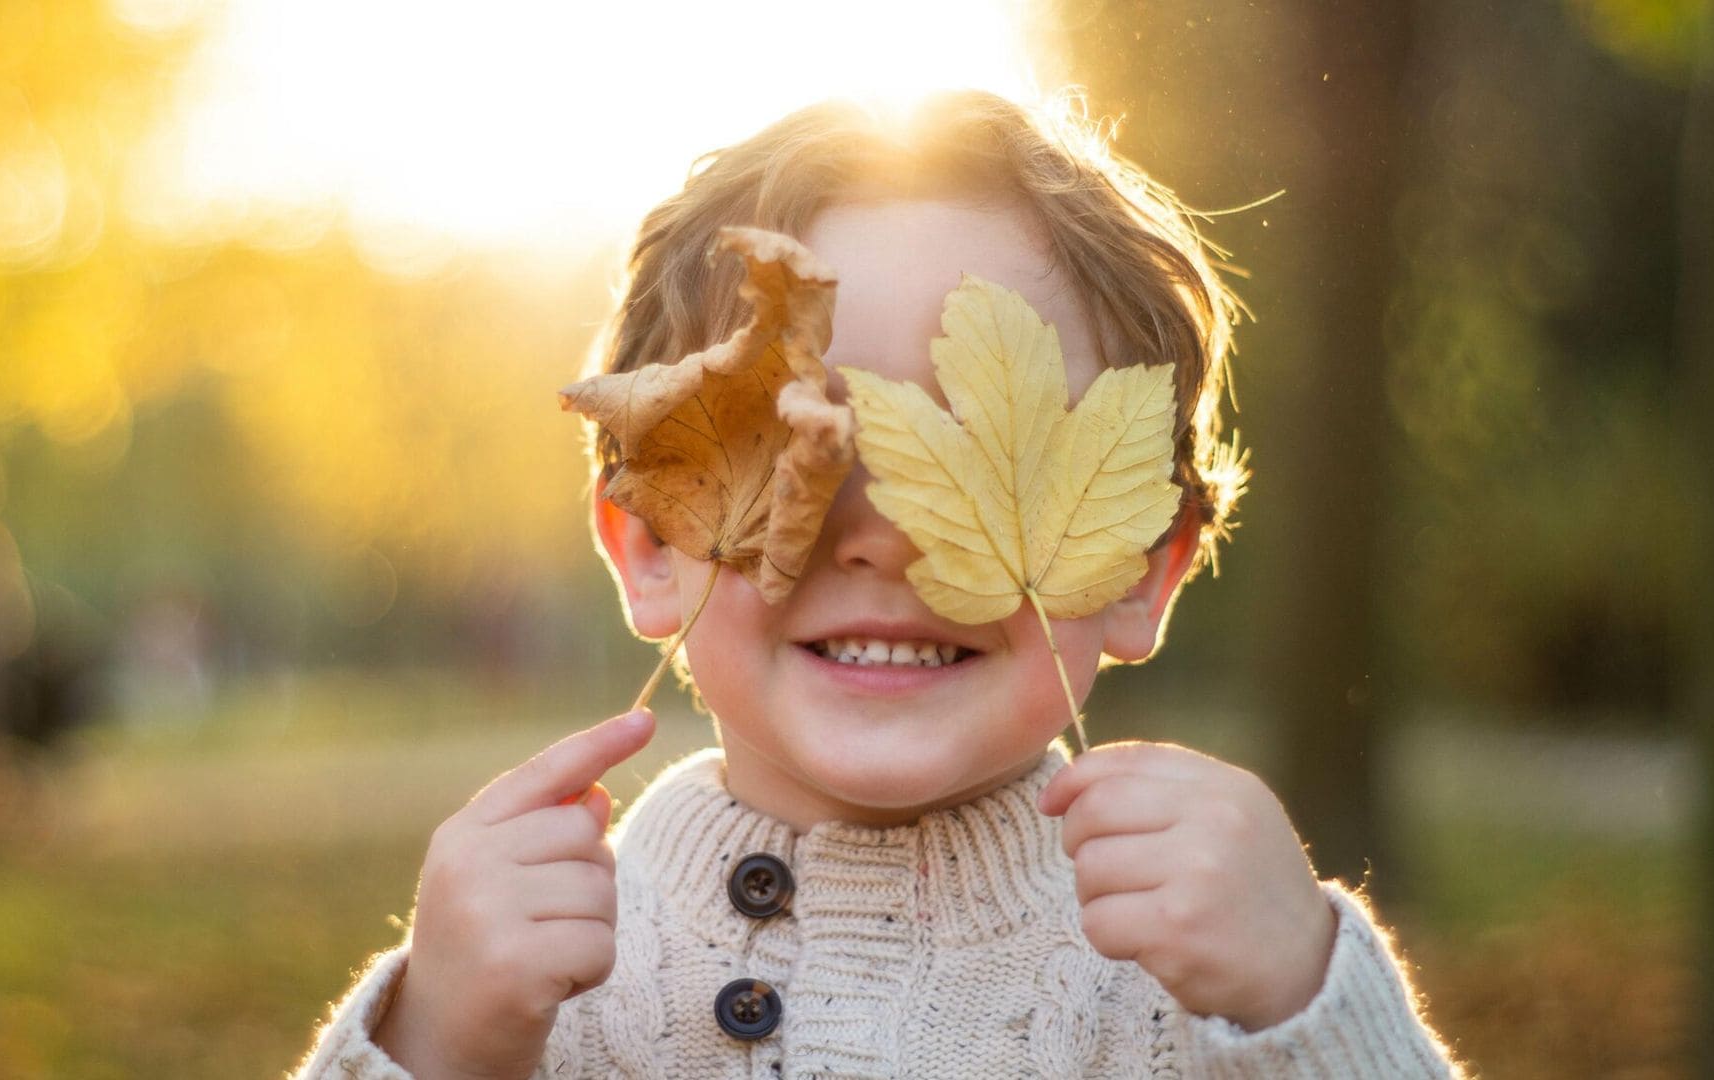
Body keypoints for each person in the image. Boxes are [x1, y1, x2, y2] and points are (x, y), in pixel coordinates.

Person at [293, 90, 1463, 1079]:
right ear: (651, 541)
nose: (891, 539)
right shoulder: (527, 978)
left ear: (1142, 566)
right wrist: (433, 1040)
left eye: (989, 462)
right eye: (808, 443)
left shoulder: (1201, 977)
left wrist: (1310, 1007)